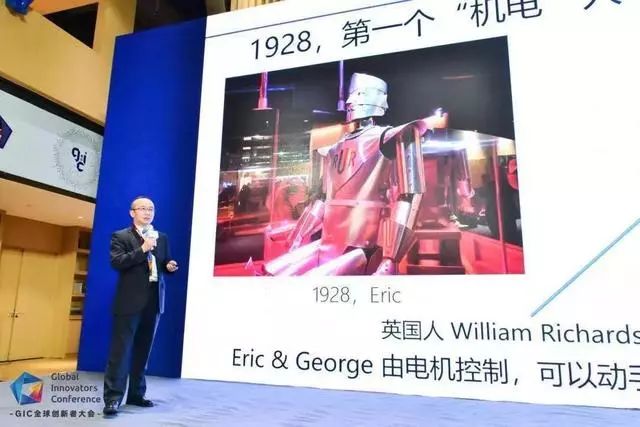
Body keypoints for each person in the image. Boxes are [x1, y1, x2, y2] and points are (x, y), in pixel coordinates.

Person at [103, 196, 178, 417]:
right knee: (120, 352)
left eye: (151, 209)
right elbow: (117, 262)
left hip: (154, 301)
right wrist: (143, 249)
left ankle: (136, 394)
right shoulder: (121, 236)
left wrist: (169, 265)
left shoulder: (161, 237)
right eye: (142, 208)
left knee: (142, 352)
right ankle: (113, 398)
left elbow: (163, 262)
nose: (147, 212)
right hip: (129, 302)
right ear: (132, 212)